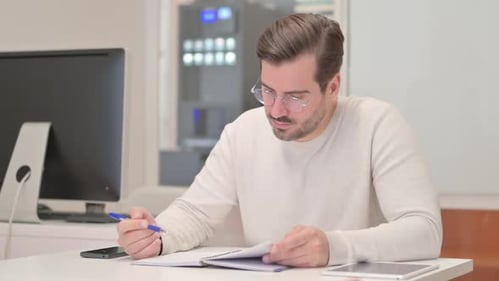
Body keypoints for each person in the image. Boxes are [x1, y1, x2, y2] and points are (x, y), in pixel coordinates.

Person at [117, 13, 442, 267]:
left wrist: (333, 247)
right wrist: (157, 237)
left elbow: (424, 231)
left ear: (332, 87)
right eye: (267, 91)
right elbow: (195, 214)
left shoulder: (376, 125)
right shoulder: (244, 131)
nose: (275, 110)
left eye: (295, 97)